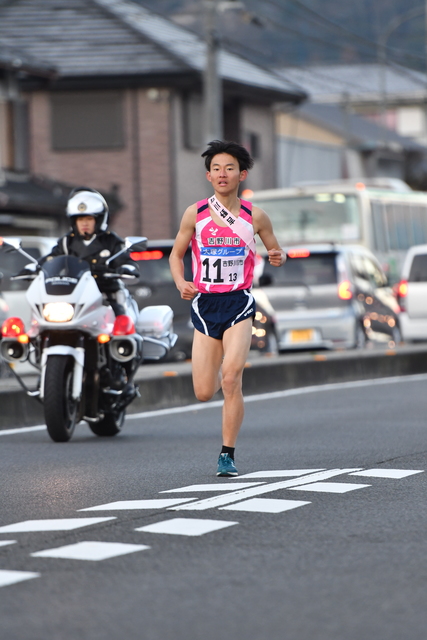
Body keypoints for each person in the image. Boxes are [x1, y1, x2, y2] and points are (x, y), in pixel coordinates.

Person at [169, 140, 286, 477]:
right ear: (209, 176)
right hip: (205, 304)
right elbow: (176, 256)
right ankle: (219, 366)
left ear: (242, 175)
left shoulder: (255, 216)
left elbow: (276, 252)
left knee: (232, 378)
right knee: (205, 391)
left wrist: (279, 256)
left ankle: (227, 454)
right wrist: (181, 283)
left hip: (239, 302)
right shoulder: (196, 214)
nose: (223, 174)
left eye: (230, 168)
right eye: (216, 168)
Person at [40, 187, 139, 316]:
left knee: (121, 326)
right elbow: (51, 258)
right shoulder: (66, 242)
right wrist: (34, 267)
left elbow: (125, 261)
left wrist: (126, 268)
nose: (84, 223)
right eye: (80, 219)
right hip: (72, 297)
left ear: (98, 220)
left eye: (89, 219)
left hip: (106, 295)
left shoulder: (111, 241)